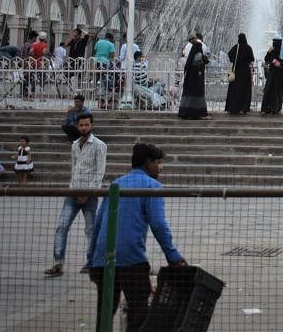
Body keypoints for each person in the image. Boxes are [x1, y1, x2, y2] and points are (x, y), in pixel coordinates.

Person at [87, 143, 186, 332]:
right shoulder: (152, 186)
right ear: (148, 163)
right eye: (158, 163)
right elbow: (158, 224)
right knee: (139, 313)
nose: (160, 167)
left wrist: (91, 259)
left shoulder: (115, 184)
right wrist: (172, 255)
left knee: (105, 313)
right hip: (130, 260)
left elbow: (98, 224)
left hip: (103, 259)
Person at [45, 112, 107, 277]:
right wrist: (73, 188)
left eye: (87, 125)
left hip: (90, 195)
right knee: (61, 226)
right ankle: (58, 263)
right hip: (73, 193)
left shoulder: (100, 145)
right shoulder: (74, 145)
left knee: (90, 229)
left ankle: (91, 261)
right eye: (81, 125)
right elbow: (74, 169)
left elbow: (99, 173)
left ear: (91, 126)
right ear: (77, 126)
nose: (84, 127)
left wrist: (88, 193)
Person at [177, 33, 209, 120]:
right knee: (197, 95)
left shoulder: (191, 55)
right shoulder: (199, 55)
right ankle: (197, 112)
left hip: (189, 79)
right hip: (197, 79)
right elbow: (201, 64)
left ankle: (187, 112)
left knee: (189, 96)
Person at [260, 34, 283, 115]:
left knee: (278, 91)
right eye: (273, 41)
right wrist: (269, 52)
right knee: (268, 89)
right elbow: (266, 59)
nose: (275, 43)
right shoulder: (272, 49)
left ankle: (276, 108)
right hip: (272, 72)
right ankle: (266, 108)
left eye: (276, 42)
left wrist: (280, 63)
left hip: (280, 73)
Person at [224, 33, 255, 114]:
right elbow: (252, 58)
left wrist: (235, 60)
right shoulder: (248, 47)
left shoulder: (236, 47)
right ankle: (244, 107)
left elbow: (230, 55)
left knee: (235, 89)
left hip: (236, 71)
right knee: (245, 89)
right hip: (245, 72)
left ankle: (233, 107)